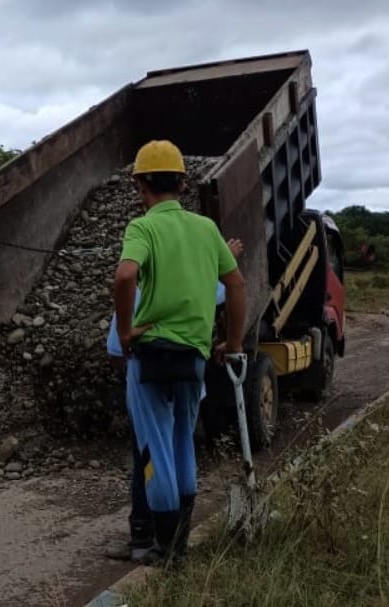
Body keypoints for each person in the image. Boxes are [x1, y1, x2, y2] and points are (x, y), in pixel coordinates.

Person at [113, 140, 247, 566]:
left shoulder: (143, 228)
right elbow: (237, 285)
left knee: (154, 450)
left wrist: (125, 331)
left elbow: (125, 276)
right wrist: (234, 342)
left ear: (139, 185)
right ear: (184, 182)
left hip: (150, 356)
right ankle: (181, 547)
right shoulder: (206, 229)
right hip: (193, 354)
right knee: (183, 443)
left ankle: (166, 552)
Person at [103, 240, 242, 562]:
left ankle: (145, 539)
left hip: (149, 385)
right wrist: (226, 257)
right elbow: (225, 288)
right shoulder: (197, 288)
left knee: (149, 460)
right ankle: (177, 541)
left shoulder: (138, 293)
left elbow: (115, 351)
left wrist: (131, 362)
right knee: (182, 450)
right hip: (190, 383)